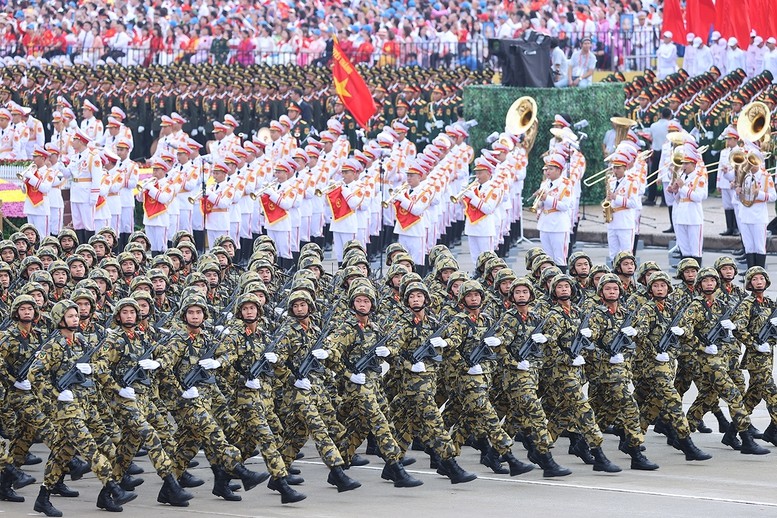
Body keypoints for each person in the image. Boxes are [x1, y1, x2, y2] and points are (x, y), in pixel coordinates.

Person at [29, 300, 138, 516]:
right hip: (67, 410)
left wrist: (91, 367)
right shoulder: (53, 346)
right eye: (70, 316)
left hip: (87, 405)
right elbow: (34, 373)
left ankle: (43, 497)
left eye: (76, 316)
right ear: (60, 319)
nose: (75, 319)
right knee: (89, 449)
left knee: (63, 453)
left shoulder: (81, 341)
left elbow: (102, 364)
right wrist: (56, 394)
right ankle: (113, 488)